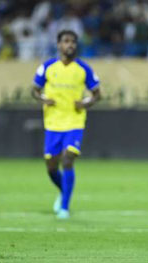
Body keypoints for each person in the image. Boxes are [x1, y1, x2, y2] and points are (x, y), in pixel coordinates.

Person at [31, 30, 101, 219]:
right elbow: (35, 91)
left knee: (68, 159)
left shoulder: (83, 69)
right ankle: (64, 192)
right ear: (59, 45)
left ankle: (64, 207)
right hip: (53, 122)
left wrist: (85, 103)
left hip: (74, 121)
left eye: (73, 42)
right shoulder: (48, 67)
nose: (70, 45)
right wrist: (44, 99)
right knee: (51, 167)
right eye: (66, 41)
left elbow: (97, 94)